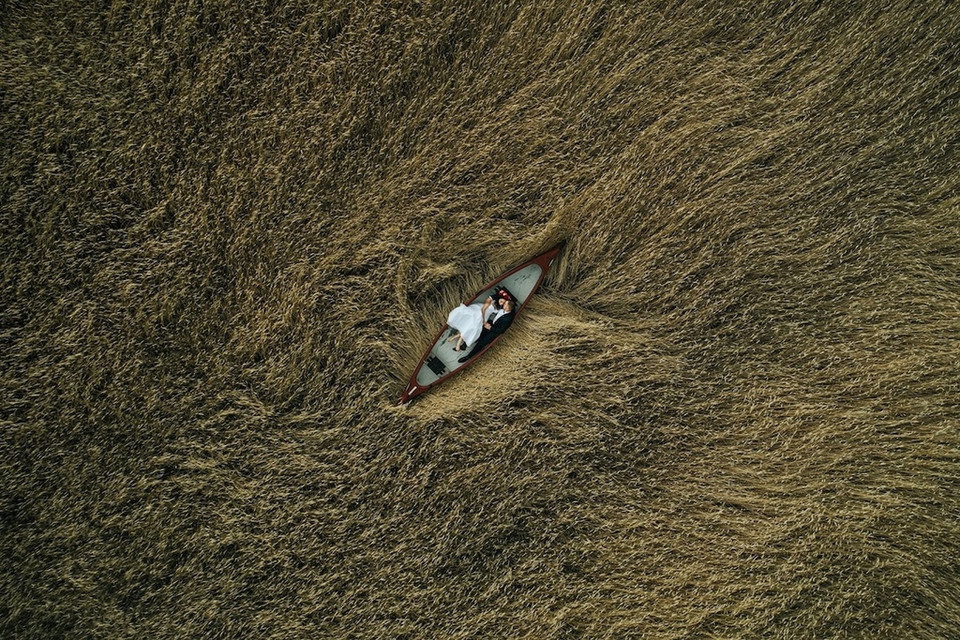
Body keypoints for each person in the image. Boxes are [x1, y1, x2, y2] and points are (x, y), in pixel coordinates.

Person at [457, 298, 515, 363]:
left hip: (493, 332)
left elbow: (502, 330)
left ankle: (468, 357)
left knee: (481, 344)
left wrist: (490, 328)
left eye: (505, 304)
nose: (503, 304)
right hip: (491, 323)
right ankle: (465, 345)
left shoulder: (508, 319)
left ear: (507, 308)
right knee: (478, 332)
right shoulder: (502, 309)